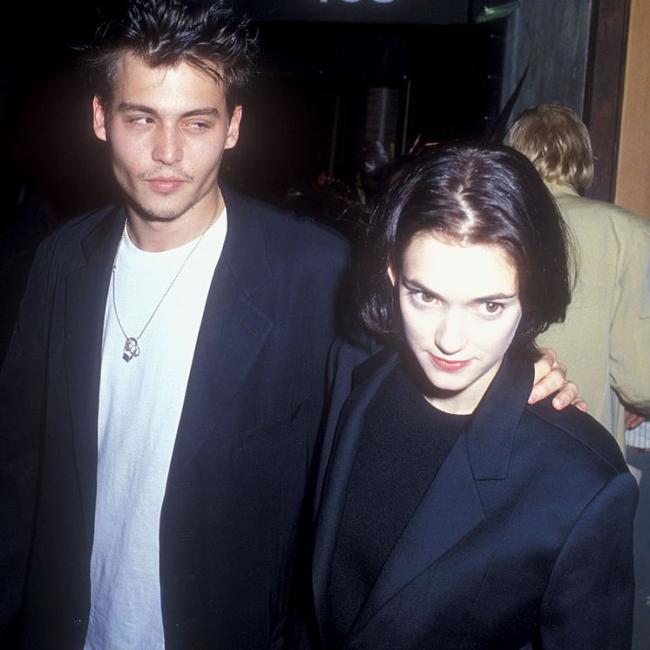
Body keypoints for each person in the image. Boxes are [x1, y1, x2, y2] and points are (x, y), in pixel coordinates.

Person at [0, 2, 577, 648]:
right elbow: (19, 467)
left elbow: (411, 409)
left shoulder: (316, 273)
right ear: (101, 119)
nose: (167, 152)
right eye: (142, 119)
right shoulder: (60, 261)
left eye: (197, 122)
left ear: (234, 128)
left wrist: (514, 379)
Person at [304, 144, 637, 649]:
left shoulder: (582, 480)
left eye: (489, 305)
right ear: (393, 276)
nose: (449, 340)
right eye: (425, 296)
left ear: (528, 297)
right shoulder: (355, 376)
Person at [505, 104, 650, 449]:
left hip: (499, 435)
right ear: (584, 157)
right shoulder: (627, 232)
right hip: (582, 449)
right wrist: (634, 399)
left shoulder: (495, 223)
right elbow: (641, 379)